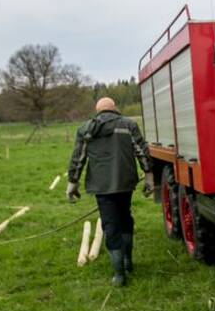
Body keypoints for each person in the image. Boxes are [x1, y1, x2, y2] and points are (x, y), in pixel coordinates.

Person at [66, 97, 154, 286]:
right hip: (125, 183)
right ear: (115, 109)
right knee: (125, 218)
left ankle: (119, 275)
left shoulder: (85, 129)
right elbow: (142, 151)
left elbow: (78, 158)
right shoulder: (129, 125)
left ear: (98, 111)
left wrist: (72, 183)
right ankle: (127, 261)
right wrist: (149, 176)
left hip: (101, 186)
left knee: (110, 225)